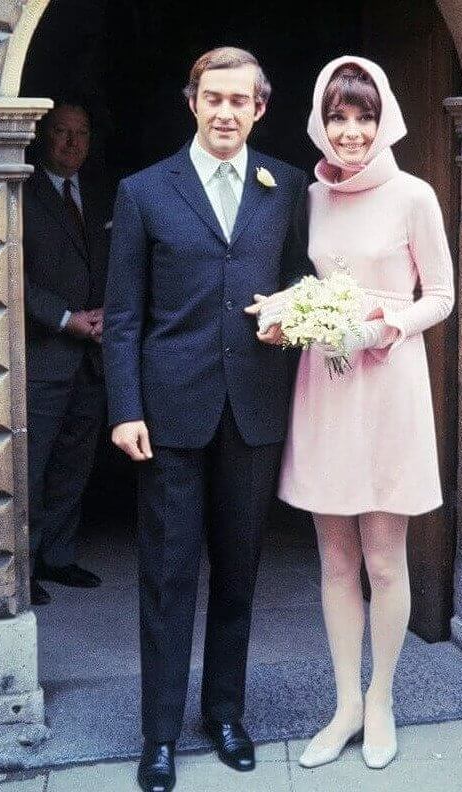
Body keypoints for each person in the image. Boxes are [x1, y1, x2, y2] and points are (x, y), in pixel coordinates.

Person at [102, 47, 311, 792]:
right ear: (192, 101)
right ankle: (159, 734)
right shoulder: (144, 191)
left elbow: (299, 278)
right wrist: (125, 408)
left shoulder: (285, 185)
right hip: (169, 415)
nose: (226, 112)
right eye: (213, 98)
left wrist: (296, 312)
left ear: (261, 106)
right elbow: (123, 316)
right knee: (166, 575)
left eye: (240, 100)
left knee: (240, 571)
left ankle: (225, 713)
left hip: (252, 409)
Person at [256, 57, 454, 769]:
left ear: (384, 118)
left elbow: (442, 295)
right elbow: (303, 282)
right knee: (335, 559)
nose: (350, 131)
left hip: (386, 383)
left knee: (384, 557)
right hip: (326, 387)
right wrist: (289, 313)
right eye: (338, 116)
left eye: (363, 116)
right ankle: (343, 703)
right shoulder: (308, 197)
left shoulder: (414, 196)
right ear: (320, 118)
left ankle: (382, 701)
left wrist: (378, 327)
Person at [23, 100, 110, 606]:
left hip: (93, 357)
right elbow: (9, 275)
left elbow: (122, 263)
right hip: (43, 355)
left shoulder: (100, 196)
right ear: (42, 136)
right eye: (61, 132)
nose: (72, 143)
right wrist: (65, 318)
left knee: (74, 463)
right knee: (31, 467)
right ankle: (24, 563)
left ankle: (57, 556)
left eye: (81, 133)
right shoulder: (21, 192)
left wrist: (105, 315)